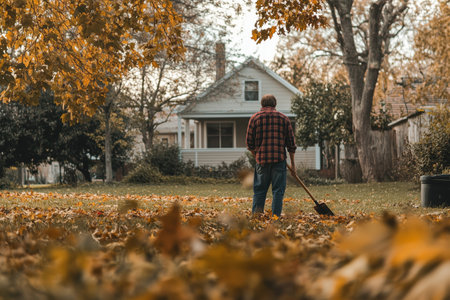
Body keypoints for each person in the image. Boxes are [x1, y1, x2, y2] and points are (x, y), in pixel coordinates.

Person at [246, 94, 297, 217]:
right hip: (279, 161)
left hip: (262, 161)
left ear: (262, 104)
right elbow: (291, 145)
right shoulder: (284, 119)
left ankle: (257, 217)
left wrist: (257, 156)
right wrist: (293, 165)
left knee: (259, 191)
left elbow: (249, 144)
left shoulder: (254, 119)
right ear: (275, 104)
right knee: (278, 191)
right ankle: (275, 217)